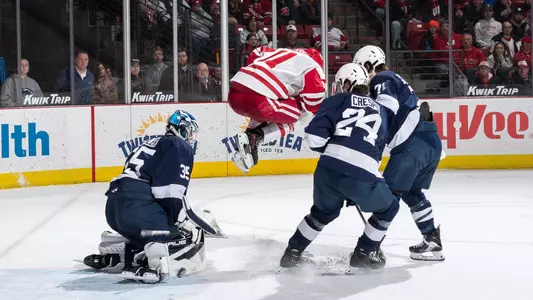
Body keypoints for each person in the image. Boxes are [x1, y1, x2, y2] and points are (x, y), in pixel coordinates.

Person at [280, 63, 399, 270]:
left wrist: (335, 150)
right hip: (362, 174)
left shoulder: (336, 100)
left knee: (322, 213)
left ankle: (292, 253)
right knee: (390, 207)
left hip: (327, 170)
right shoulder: (381, 110)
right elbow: (376, 151)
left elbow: (314, 138)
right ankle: (364, 252)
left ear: (347, 83)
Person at [83, 110, 213, 284]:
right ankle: (153, 262)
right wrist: (179, 223)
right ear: (181, 129)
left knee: (152, 230)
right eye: (190, 132)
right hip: (137, 206)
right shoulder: (179, 146)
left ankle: (123, 251)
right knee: (174, 234)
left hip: (113, 208)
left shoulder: (149, 143)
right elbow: (169, 193)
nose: (191, 138)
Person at [353, 45, 445, 261]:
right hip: (429, 140)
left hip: (411, 146)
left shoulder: (381, 78)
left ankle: (368, 250)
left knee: (386, 199)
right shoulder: (394, 78)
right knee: (412, 192)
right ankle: (431, 239)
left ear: (368, 65)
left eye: (361, 69)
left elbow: (388, 106)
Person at [228, 46, 327, 173]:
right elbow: (312, 105)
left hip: (234, 94)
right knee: (303, 115)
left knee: (269, 97)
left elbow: (255, 53)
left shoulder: (278, 52)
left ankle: (247, 143)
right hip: (259, 102)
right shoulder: (313, 66)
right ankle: (256, 136)